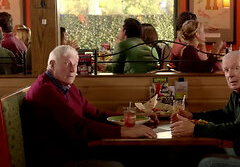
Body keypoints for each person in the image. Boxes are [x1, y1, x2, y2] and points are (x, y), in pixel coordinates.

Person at [21, 45, 157, 167]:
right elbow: (77, 126)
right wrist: (124, 131)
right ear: (52, 64)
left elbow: (95, 114)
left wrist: (136, 118)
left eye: (75, 64)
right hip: (57, 159)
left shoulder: (66, 86)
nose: (73, 69)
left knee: (135, 154)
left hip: (74, 149)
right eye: (67, 63)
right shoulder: (45, 90)